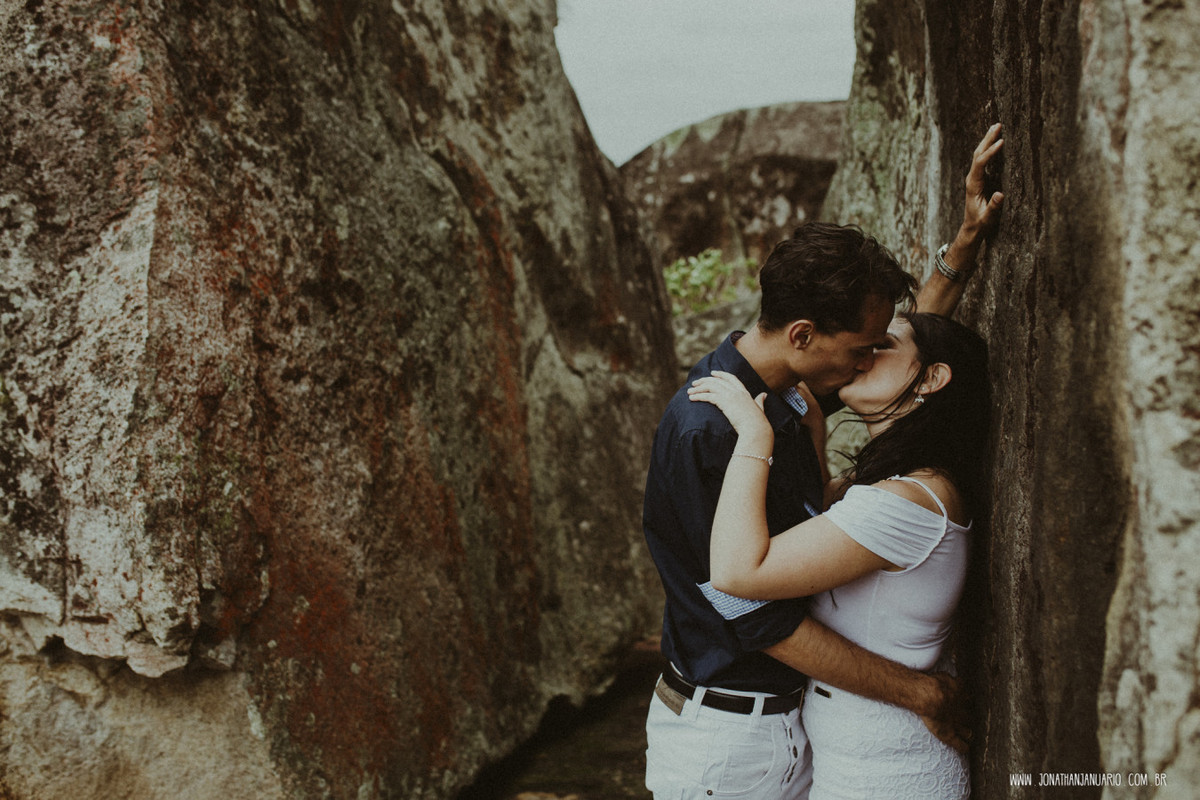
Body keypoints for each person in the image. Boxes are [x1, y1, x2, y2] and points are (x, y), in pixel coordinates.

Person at [641, 124, 1003, 799]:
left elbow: (907, 360)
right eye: (862, 347)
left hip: (796, 729)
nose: (870, 360)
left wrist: (964, 245)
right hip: (731, 741)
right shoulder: (713, 431)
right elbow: (744, 605)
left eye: (875, 350)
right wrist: (919, 692)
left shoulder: (793, 388)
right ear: (805, 335)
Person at [689, 310, 989, 799]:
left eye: (883, 346)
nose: (865, 355)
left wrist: (755, 437)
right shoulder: (893, 486)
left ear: (932, 378)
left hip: (894, 770)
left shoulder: (907, 501)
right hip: (857, 758)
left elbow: (736, 571)